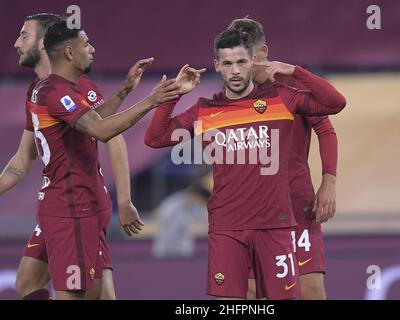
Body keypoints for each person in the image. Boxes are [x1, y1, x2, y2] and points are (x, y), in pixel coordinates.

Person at [145, 29, 346, 299]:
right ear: (217, 66)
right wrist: (175, 95)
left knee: (304, 293)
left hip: (276, 223)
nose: (235, 70)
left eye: (241, 62)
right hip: (227, 226)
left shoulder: (282, 99)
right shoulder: (206, 110)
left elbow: (335, 103)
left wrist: (294, 70)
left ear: (253, 60)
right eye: (227, 64)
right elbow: (155, 138)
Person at [2, 19, 179, 300]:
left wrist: (125, 92)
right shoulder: (50, 91)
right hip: (65, 206)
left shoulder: (62, 88)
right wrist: (150, 100)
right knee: (36, 283)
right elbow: (97, 130)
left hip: (75, 205)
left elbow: (104, 128)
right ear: (69, 52)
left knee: (83, 292)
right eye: (87, 44)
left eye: (23, 35)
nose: (16, 43)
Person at [229, 17, 341, 300]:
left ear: (264, 52)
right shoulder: (229, 95)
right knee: (251, 291)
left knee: (310, 292)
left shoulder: (292, 84)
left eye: (248, 59)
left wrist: (328, 182)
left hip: (296, 205)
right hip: (251, 211)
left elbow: (327, 124)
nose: (241, 68)